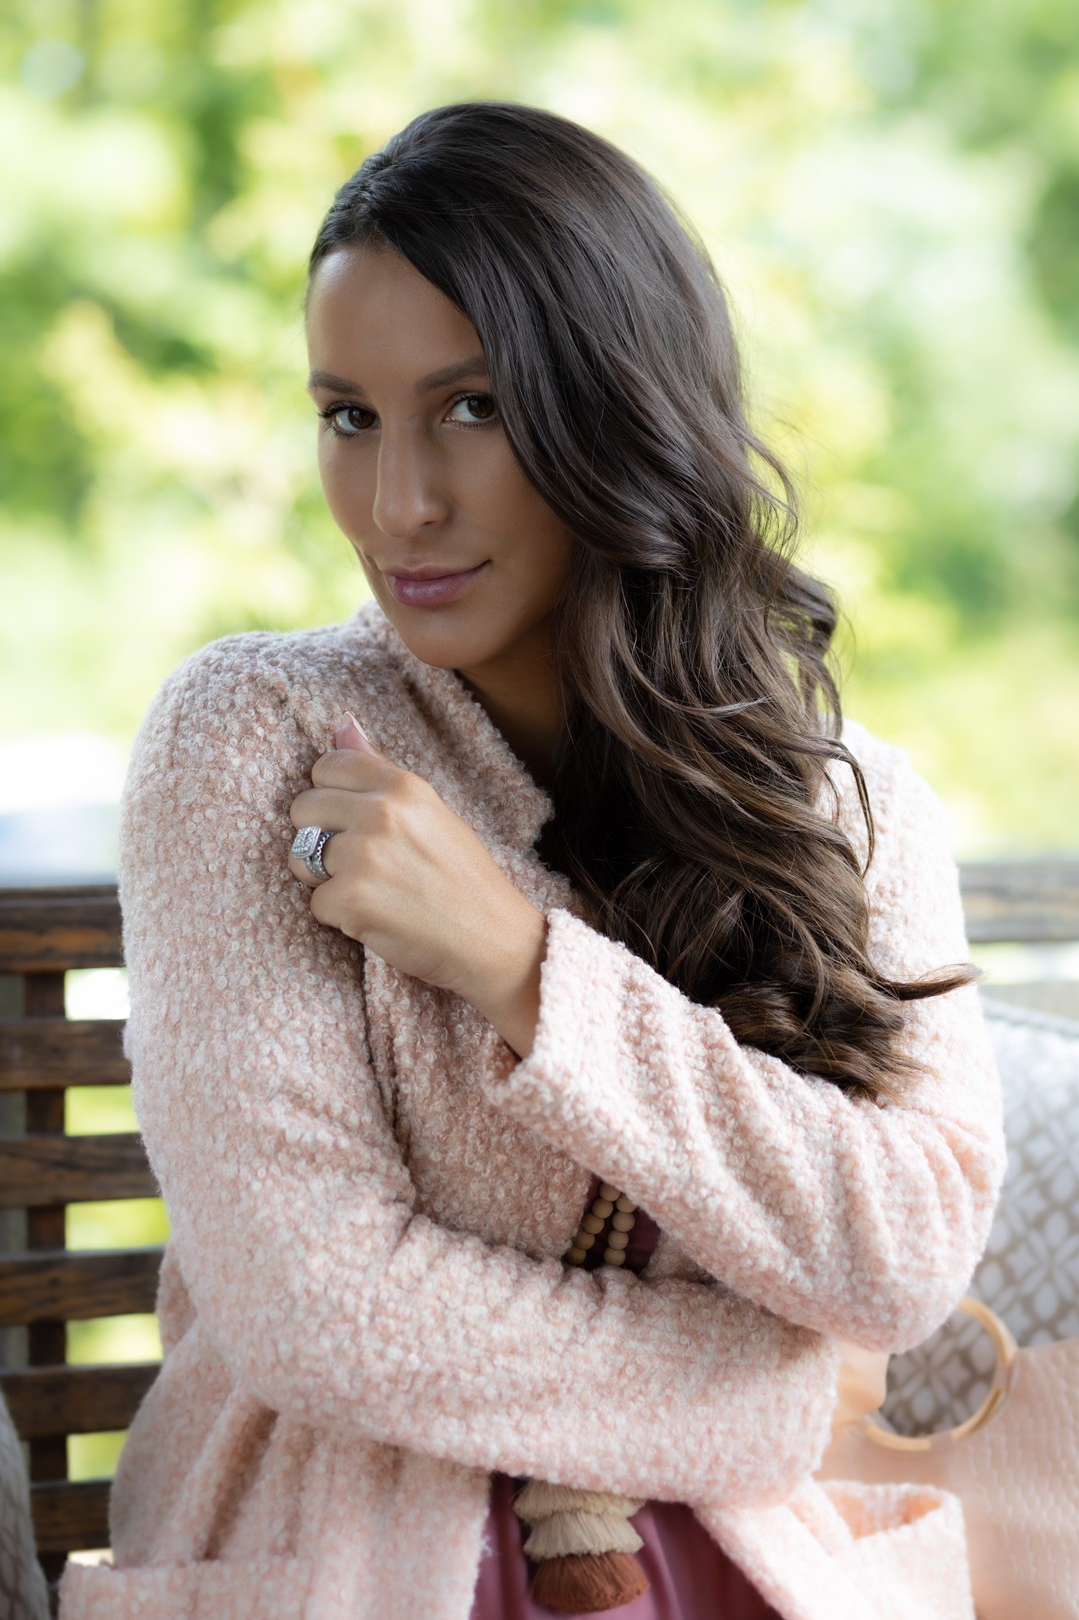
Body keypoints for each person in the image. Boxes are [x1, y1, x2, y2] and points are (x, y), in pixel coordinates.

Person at [58, 102, 1005, 1620]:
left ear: (617, 411)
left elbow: (899, 1261)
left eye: (473, 407)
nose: (398, 504)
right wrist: (765, 1391)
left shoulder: (845, 806)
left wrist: (517, 964)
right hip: (355, 1574)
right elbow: (317, 1308)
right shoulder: (256, 740)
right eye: (349, 416)